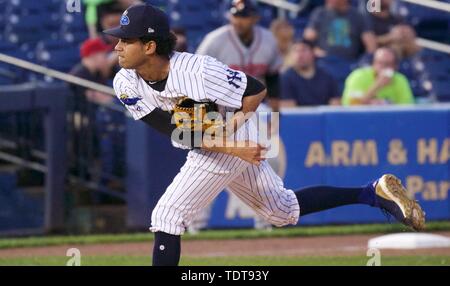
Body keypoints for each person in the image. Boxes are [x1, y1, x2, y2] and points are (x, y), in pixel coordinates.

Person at [104, 3, 425, 266]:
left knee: (167, 215)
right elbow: (170, 129)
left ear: (149, 46)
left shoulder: (197, 71)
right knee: (281, 211)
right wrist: (228, 145)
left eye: (125, 40)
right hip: (215, 135)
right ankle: (372, 193)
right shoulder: (125, 82)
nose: (117, 45)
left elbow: (256, 90)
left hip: (243, 123)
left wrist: (232, 134)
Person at [196, 0, 282, 111]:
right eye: (235, 16)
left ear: (255, 18)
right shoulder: (214, 40)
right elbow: (198, 74)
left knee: (264, 115)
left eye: (244, 16)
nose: (238, 21)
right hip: (222, 103)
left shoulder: (268, 39)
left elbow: (272, 78)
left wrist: (275, 111)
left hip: (256, 103)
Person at [303, 0, 377, 60]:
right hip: (324, 62)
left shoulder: (358, 16)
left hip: (350, 63)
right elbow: (307, 40)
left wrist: (364, 61)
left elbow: (371, 45)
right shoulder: (319, 13)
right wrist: (316, 51)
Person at [342, 47, 414, 105]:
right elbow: (352, 106)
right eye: (380, 63)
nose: (383, 67)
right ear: (373, 63)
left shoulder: (400, 80)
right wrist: (377, 86)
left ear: (395, 66)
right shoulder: (358, 76)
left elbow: (406, 107)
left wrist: (386, 104)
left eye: (387, 64)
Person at [281, 39, 340, 106]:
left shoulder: (327, 76)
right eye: (295, 51)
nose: (299, 55)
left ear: (313, 53)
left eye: (303, 50)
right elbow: (289, 111)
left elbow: (336, 106)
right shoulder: (285, 78)